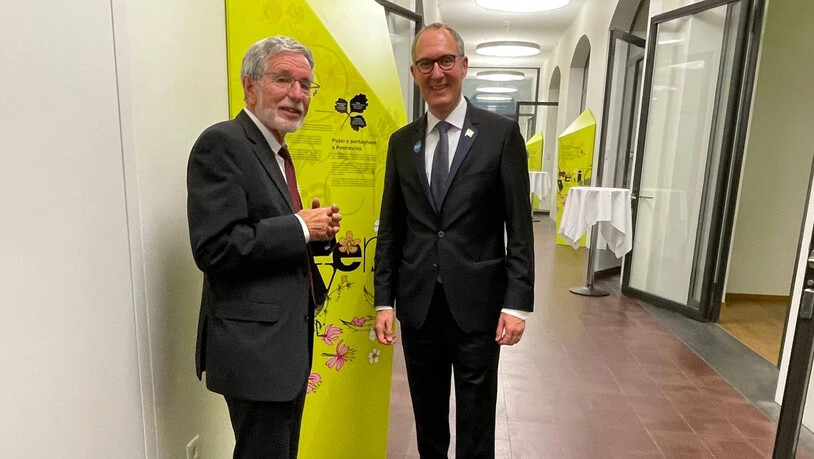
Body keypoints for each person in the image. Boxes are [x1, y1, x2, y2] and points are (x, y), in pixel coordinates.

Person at [373, 23, 535, 458]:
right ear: (413, 72)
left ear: (464, 66)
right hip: (419, 304)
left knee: (477, 417)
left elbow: (519, 225)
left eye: (446, 61)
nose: (437, 72)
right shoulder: (401, 142)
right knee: (427, 418)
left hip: (478, 305)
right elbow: (391, 226)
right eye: (426, 63)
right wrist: (384, 300)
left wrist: (516, 303)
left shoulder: (500, 135)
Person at [186, 36, 341, 459]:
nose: (297, 94)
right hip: (255, 351)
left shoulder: (276, 153)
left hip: (283, 347)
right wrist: (298, 227)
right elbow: (215, 247)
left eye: (306, 84)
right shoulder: (223, 143)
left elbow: (265, 237)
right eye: (284, 79)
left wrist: (315, 235)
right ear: (249, 86)